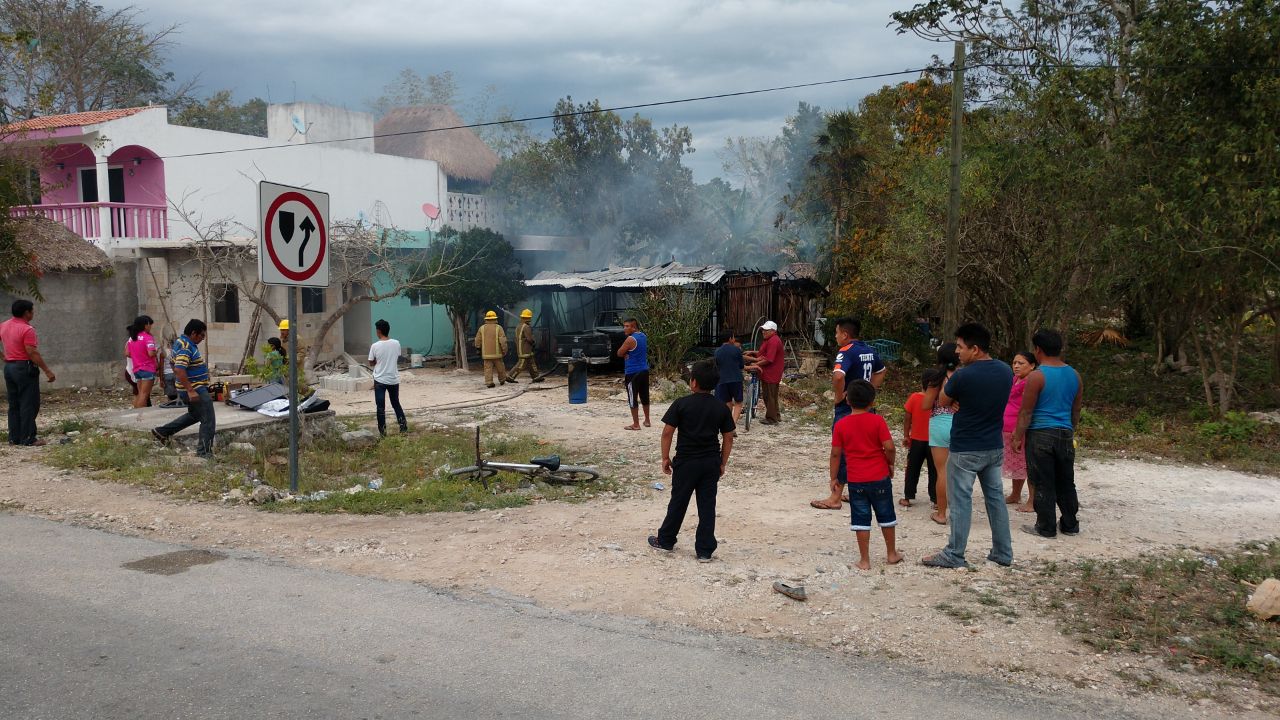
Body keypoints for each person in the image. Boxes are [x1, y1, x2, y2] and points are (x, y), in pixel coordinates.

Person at [923, 323, 1014, 569]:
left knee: (961, 500)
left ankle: (954, 553)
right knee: (995, 499)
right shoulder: (1006, 371)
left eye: (961, 347)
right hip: (994, 445)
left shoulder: (964, 375)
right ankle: (1003, 552)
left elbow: (943, 399)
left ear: (975, 349)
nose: (957, 352)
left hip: (965, 446)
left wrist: (956, 401)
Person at [648, 359, 735, 562]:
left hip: (686, 462)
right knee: (707, 506)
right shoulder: (721, 408)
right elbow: (728, 436)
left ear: (693, 382)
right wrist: (722, 462)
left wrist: (664, 458)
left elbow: (667, 432)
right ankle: (704, 550)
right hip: (710, 463)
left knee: (678, 501)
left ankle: (666, 539)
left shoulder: (681, 403)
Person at [1013, 329, 1083, 538]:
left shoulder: (1037, 376)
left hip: (1040, 434)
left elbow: (1026, 411)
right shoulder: (1075, 375)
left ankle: (1046, 526)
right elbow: (1076, 409)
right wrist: (1070, 429)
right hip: (1065, 433)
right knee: (1066, 480)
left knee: (1042, 480)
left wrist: (1017, 436)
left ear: (1038, 350)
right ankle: (1070, 524)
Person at [811, 317, 886, 510]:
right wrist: (870, 390)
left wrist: (838, 396)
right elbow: (881, 371)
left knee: (842, 449)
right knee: (864, 448)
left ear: (845, 335)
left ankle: (834, 497)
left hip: (848, 407)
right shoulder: (869, 350)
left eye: (836, 333)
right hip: (866, 405)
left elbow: (838, 376)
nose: (835, 337)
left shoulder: (846, 352)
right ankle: (858, 490)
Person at [830, 379, 902, 570]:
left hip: (856, 480)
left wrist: (833, 477)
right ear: (872, 402)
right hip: (879, 476)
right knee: (886, 514)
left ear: (847, 401)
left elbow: (836, 453)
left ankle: (865, 560)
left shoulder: (841, 425)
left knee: (861, 518)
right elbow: (889, 447)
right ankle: (891, 553)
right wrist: (890, 464)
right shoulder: (877, 420)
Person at [152, 319, 215, 458]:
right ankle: (204, 453)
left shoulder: (180, 342)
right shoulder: (186, 346)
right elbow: (180, 370)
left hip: (191, 387)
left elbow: (174, 364)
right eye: (201, 336)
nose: (202, 339)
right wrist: (190, 390)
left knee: (195, 415)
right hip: (195, 389)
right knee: (208, 420)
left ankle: (162, 431)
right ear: (193, 333)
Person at [1, 299, 55, 446]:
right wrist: (47, 370)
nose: (33, 313)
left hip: (9, 368)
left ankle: (14, 437)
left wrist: (4, 357)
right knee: (28, 403)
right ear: (26, 313)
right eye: (32, 310)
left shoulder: (4, 325)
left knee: (14, 404)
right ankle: (28, 437)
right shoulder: (27, 329)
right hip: (24, 367)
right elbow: (31, 352)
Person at [921, 344, 960, 525]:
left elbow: (926, 405)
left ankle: (942, 513)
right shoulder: (966, 375)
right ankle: (960, 513)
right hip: (962, 424)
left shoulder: (936, 378)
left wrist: (940, 401)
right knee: (961, 471)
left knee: (942, 471)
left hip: (939, 424)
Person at [1003, 351, 1037, 512]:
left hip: (1020, 428)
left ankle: (1032, 500)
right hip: (1007, 426)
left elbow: (1027, 408)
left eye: (1021, 363)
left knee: (1027, 464)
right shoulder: (1015, 379)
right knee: (1017, 463)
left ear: (1032, 365)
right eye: (1014, 362)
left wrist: (1019, 430)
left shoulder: (1031, 381)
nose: (1016, 366)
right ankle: (1015, 494)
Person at [901, 370, 939, 507]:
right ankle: (935, 500)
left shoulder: (914, 397)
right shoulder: (938, 400)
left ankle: (907, 497)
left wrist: (906, 435)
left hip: (916, 440)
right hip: (935, 441)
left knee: (912, 469)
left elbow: (907, 417)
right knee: (934, 470)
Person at [368, 318, 408, 436]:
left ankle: (383, 432)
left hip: (380, 379)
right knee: (396, 403)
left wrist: (378, 361)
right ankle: (403, 427)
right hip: (393, 378)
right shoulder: (396, 343)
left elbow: (371, 362)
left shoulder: (375, 346)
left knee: (380, 407)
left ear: (379, 331)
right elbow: (397, 357)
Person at [744, 320, 784, 424]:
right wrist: (753, 352)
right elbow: (764, 353)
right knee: (773, 396)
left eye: (766, 330)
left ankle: (771, 419)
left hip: (771, 373)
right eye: (763, 330)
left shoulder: (773, 341)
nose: (763, 332)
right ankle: (776, 415)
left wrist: (756, 364)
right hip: (770, 372)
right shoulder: (769, 340)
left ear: (772, 331)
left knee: (769, 395)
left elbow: (769, 359)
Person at [618, 317, 651, 430]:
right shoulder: (643, 336)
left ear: (633, 327)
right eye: (624, 326)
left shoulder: (630, 339)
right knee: (644, 395)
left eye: (627, 326)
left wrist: (625, 353)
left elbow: (619, 352)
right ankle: (647, 420)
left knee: (633, 397)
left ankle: (636, 424)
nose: (624, 329)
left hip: (632, 372)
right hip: (644, 370)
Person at [126, 315, 159, 408]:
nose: (151, 326)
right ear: (146, 325)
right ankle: (142, 416)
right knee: (144, 395)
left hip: (137, 369)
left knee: (140, 394)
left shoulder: (132, 338)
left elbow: (128, 353)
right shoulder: (147, 337)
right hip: (147, 369)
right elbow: (151, 354)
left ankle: (137, 416)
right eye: (150, 324)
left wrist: (138, 355)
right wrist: (156, 351)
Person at [713, 330, 744, 426]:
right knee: (738, 403)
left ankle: (727, 424)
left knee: (727, 402)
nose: (734, 339)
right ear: (730, 339)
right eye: (733, 337)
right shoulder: (736, 350)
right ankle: (733, 425)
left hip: (722, 380)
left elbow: (716, 366)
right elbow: (741, 366)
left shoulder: (717, 351)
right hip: (736, 379)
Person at [474, 310, 509, 388]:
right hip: (497, 354)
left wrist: (478, 348)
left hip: (486, 354)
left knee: (488, 369)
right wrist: (505, 350)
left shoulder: (482, 328)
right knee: (500, 367)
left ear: (486, 319)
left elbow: (477, 340)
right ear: (495, 318)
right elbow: (503, 340)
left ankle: (489, 382)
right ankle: (502, 379)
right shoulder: (499, 328)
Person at [506, 308, 541, 383]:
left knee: (531, 363)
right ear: (529, 318)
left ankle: (536, 377)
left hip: (521, 348)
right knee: (521, 365)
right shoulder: (526, 327)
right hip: (525, 349)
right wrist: (534, 343)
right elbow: (529, 339)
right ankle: (510, 376)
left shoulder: (519, 326)